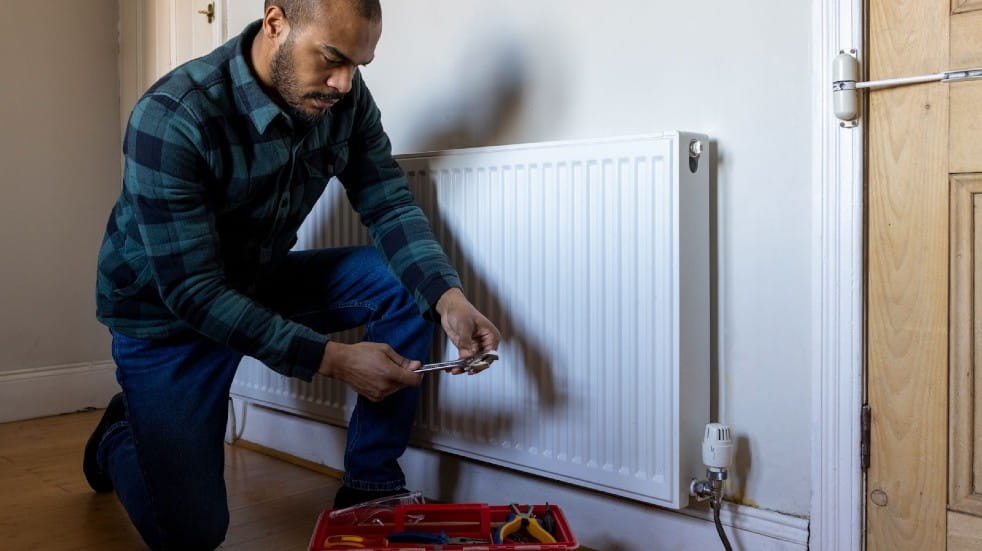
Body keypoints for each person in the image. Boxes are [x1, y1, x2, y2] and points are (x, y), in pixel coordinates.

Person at [83, 0, 501, 548]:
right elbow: (192, 291)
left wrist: (448, 298)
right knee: (192, 534)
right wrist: (334, 360)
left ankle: (370, 485)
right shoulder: (172, 116)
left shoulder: (343, 101)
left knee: (405, 286)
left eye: (357, 66)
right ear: (275, 22)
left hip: (256, 282)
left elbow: (389, 204)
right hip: (165, 319)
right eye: (331, 59)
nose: (343, 83)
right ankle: (120, 435)